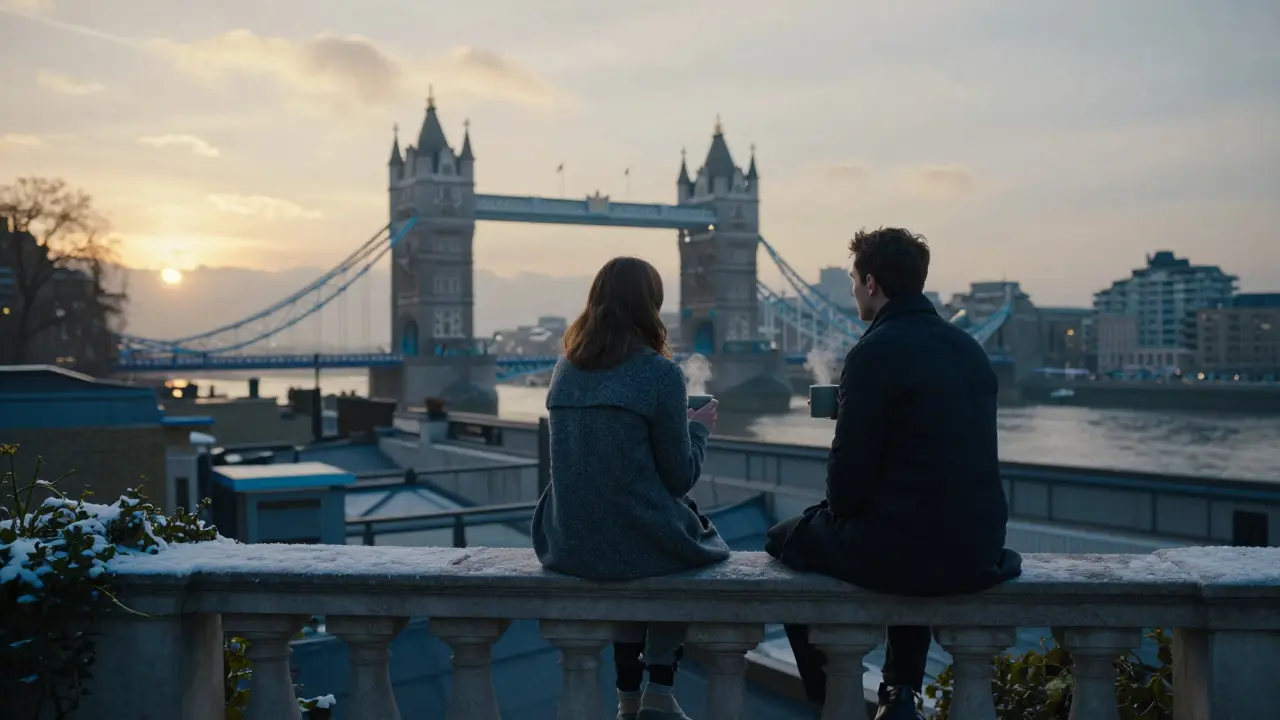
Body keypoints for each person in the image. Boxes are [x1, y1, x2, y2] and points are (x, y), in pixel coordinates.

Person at [765, 228, 1023, 720]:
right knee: (911, 525)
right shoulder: (968, 348)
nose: (852, 293)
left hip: (906, 548)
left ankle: (826, 696)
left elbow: (846, 489)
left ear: (870, 282)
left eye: (853, 283)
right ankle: (900, 691)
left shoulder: (873, 352)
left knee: (786, 539)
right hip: (978, 548)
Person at [531, 256, 729, 720]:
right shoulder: (661, 374)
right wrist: (697, 429)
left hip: (566, 541)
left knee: (635, 537)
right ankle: (659, 686)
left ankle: (626, 695)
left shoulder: (565, 368)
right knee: (693, 545)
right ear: (652, 306)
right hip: (630, 536)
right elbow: (679, 478)